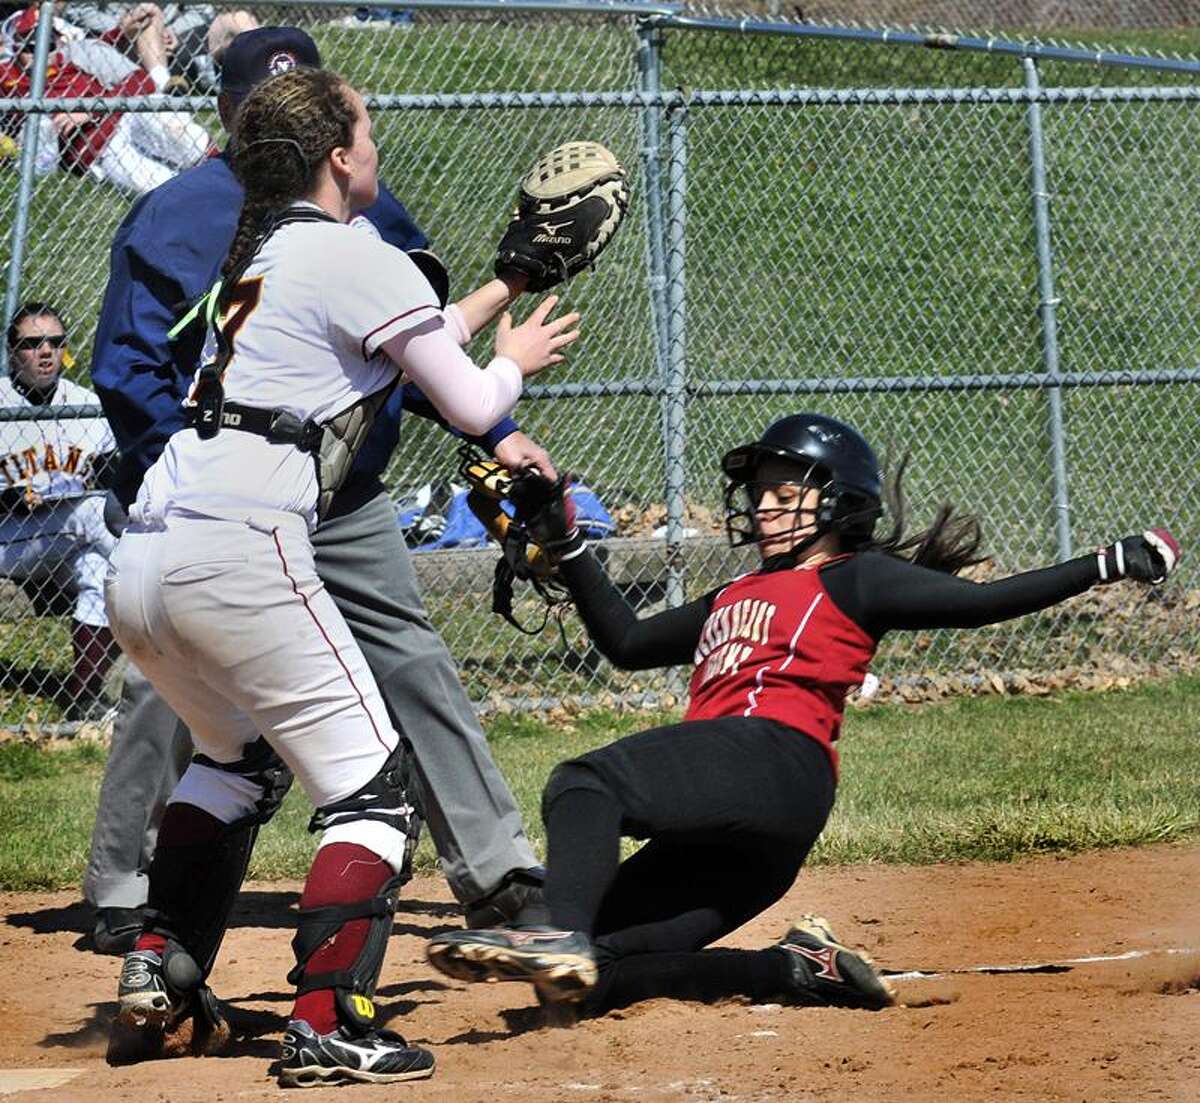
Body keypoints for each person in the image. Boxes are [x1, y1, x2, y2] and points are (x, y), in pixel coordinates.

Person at [103, 65, 580, 1086]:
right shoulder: (354, 250)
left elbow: (401, 339)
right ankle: (329, 1019)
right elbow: (462, 396)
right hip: (241, 542)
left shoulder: (268, 253)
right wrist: (517, 365)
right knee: (372, 784)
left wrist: (506, 287)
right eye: (365, 132)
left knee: (232, 762)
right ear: (335, 157)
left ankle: (162, 965)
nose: (376, 146)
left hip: (147, 549)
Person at [426, 412, 1181, 1015]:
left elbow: (984, 604)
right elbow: (624, 641)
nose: (765, 506)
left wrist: (1106, 563)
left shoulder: (855, 579)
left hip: (774, 755)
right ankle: (792, 968)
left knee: (586, 781)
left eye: (789, 495)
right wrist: (563, 539)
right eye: (762, 494)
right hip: (763, 826)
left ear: (840, 506)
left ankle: (552, 927)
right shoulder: (730, 594)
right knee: (591, 974)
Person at [0, 302, 119, 720]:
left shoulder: (85, 402)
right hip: (8, 540)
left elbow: (110, 474)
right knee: (93, 513)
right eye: (32, 344)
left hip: (67, 541)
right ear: (13, 352)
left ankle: (82, 698)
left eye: (55, 342)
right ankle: (153, 573)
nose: (46, 351)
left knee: (102, 575)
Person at [0, 5, 212, 193]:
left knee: (174, 129)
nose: (40, 53)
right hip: (100, 147)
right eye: (30, 46)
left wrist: (91, 109)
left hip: (125, 117)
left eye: (48, 44)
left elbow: (141, 81)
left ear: (58, 40)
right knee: (163, 188)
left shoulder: (78, 52)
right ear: (16, 47)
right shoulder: (7, 76)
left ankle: (223, 167)